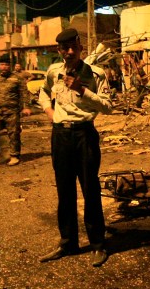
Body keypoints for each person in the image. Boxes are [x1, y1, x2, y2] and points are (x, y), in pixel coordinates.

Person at [38, 28, 113, 268]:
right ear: (59, 50)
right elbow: (43, 93)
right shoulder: (53, 72)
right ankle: (68, 242)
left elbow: (108, 106)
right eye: (64, 48)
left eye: (73, 47)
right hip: (61, 136)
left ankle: (98, 245)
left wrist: (82, 89)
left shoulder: (96, 74)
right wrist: (51, 114)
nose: (69, 52)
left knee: (90, 189)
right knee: (64, 190)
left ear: (81, 48)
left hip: (84, 135)